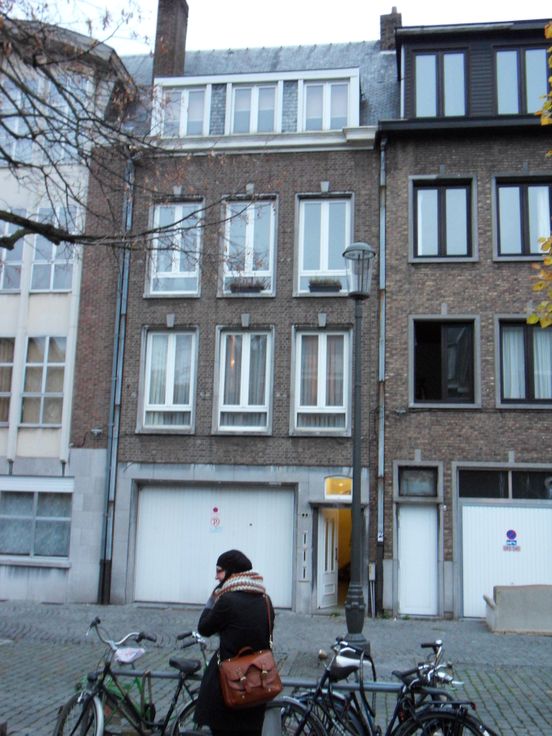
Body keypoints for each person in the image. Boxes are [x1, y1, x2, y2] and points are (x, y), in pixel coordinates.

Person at [194, 549, 275, 736]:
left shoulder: (227, 600)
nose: (216, 577)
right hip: (258, 683)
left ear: (232, 572)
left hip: (229, 685)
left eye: (219, 571)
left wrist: (213, 598)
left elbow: (204, 628)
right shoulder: (265, 600)